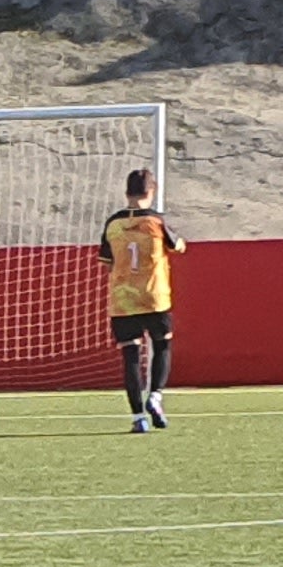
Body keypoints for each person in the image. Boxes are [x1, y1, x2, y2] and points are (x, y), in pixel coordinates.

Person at [102, 169, 185, 432]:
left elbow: (107, 262)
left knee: (131, 356)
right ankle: (156, 396)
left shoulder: (113, 223)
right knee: (162, 346)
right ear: (151, 192)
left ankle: (138, 418)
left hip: (123, 299)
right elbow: (179, 246)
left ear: (127, 193)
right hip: (154, 296)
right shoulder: (155, 221)